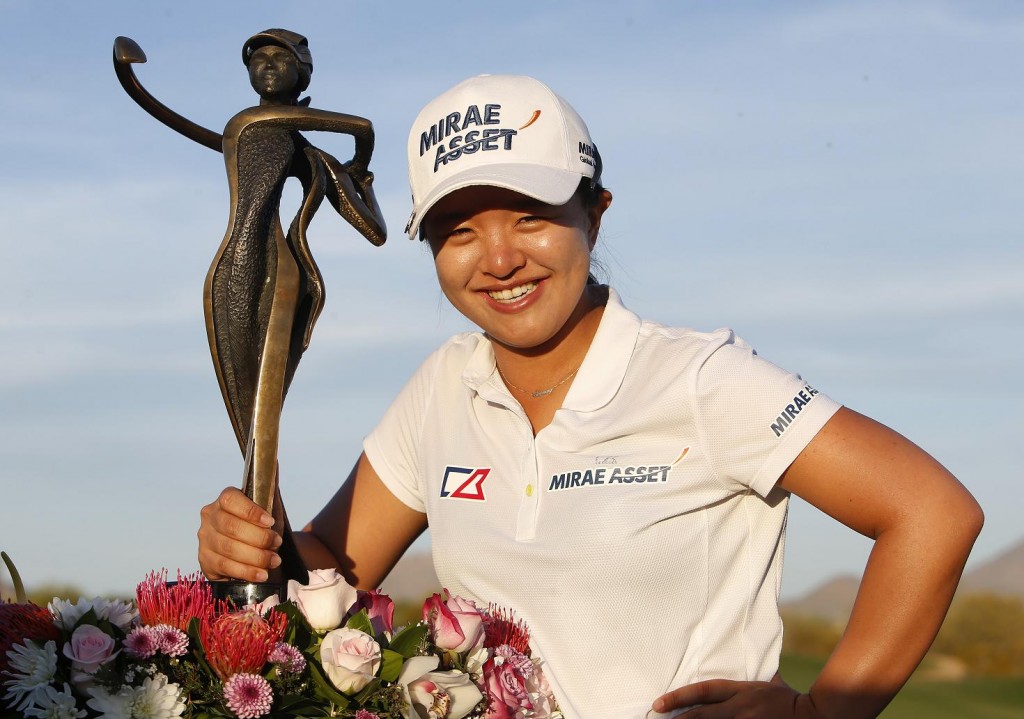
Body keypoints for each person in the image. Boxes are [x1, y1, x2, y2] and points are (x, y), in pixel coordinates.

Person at [198, 74, 983, 719]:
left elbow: (932, 512)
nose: (499, 259)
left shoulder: (700, 377)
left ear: (594, 215)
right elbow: (335, 564)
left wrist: (823, 713)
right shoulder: (443, 384)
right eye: (458, 231)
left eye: (532, 217)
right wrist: (253, 544)